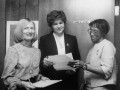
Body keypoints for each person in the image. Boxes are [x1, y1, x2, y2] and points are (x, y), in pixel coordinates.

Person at [39, 10, 81, 90]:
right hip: (51, 81)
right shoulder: (44, 39)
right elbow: (41, 63)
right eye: (55, 24)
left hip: (69, 81)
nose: (59, 26)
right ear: (51, 25)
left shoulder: (72, 39)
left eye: (61, 23)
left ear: (64, 23)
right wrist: (44, 64)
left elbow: (77, 59)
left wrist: (73, 69)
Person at [1, 18, 48, 90]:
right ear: (20, 31)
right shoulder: (13, 50)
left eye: (32, 28)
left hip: (33, 87)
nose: (30, 31)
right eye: (26, 28)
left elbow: (32, 73)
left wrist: (41, 77)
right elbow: (6, 78)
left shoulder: (37, 51)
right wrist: (22, 83)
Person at [73, 19, 117, 90]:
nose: (91, 34)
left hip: (101, 87)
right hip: (90, 86)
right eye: (90, 30)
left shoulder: (107, 45)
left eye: (95, 31)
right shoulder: (93, 48)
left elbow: (106, 70)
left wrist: (84, 65)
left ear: (103, 32)